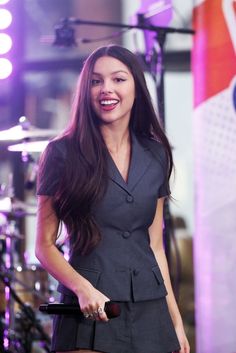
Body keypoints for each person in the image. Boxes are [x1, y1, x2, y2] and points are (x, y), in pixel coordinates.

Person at [35, 44, 190, 353]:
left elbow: (155, 246)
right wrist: (82, 289)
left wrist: (175, 321)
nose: (106, 89)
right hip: (90, 306)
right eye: (96, 81)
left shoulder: (157, 154)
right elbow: (44, 245)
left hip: (149, 307)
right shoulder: (61, 153)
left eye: (118, 79)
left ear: (136, 86)